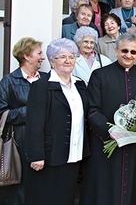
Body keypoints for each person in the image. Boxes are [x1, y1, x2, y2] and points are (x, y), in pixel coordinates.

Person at [79, 32, 136, 205]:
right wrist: (109, 131)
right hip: (105, 143)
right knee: (104, 187)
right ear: (116, 51)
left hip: (133, 144)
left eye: (133, 52)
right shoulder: (100, 75)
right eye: (124, 51)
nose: (128, 55)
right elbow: (92, 109)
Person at [25, 38, 89, 205]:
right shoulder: (41, 86)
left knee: (66, 198)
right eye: (62, 57)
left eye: (72, 56)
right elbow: (34, 123)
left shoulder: (80, 85)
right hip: (49, 156)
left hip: (74, 154)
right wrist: (36, 155)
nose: (68, 61)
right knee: (46, 198)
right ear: (52, 61)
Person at [0, 37, 46, 205]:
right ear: (26, 56)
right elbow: (3, 114)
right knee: (17, 193)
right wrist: (34, 111)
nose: (43, 57)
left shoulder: (47, 79)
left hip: (44, 145)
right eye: (39, 53)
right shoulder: (8, 82)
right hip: (18, 145)